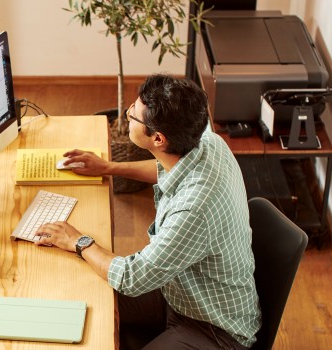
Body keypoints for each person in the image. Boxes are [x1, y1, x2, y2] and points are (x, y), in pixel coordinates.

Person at [34, 74, 261, 349]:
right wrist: (108, 167)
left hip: (212, 328)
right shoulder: (209, 143)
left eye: (134, 114)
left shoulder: (193, 210)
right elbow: (168, 170)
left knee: (90, 270)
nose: (128, 113)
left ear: (158, 138)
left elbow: (132, 278)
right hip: (180, 291)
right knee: (80, 293)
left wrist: (78, 241)